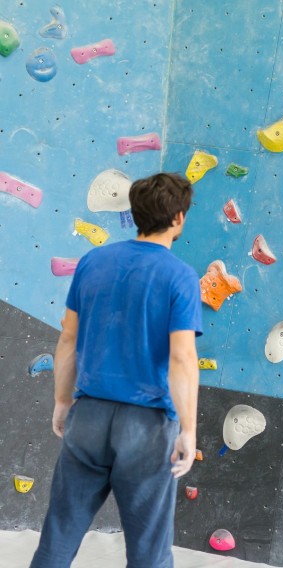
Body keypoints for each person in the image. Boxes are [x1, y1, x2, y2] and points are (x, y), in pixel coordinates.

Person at [31, 173, 203, 568]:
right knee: (149, 552)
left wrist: (62, 401)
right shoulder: (179, 276)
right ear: (178, 217)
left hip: (88, 415)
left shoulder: (93, 262)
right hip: (146, 427)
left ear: (136, 212)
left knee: (58, 537)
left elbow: (68, 340)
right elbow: (181, 359)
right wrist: (189, 431)